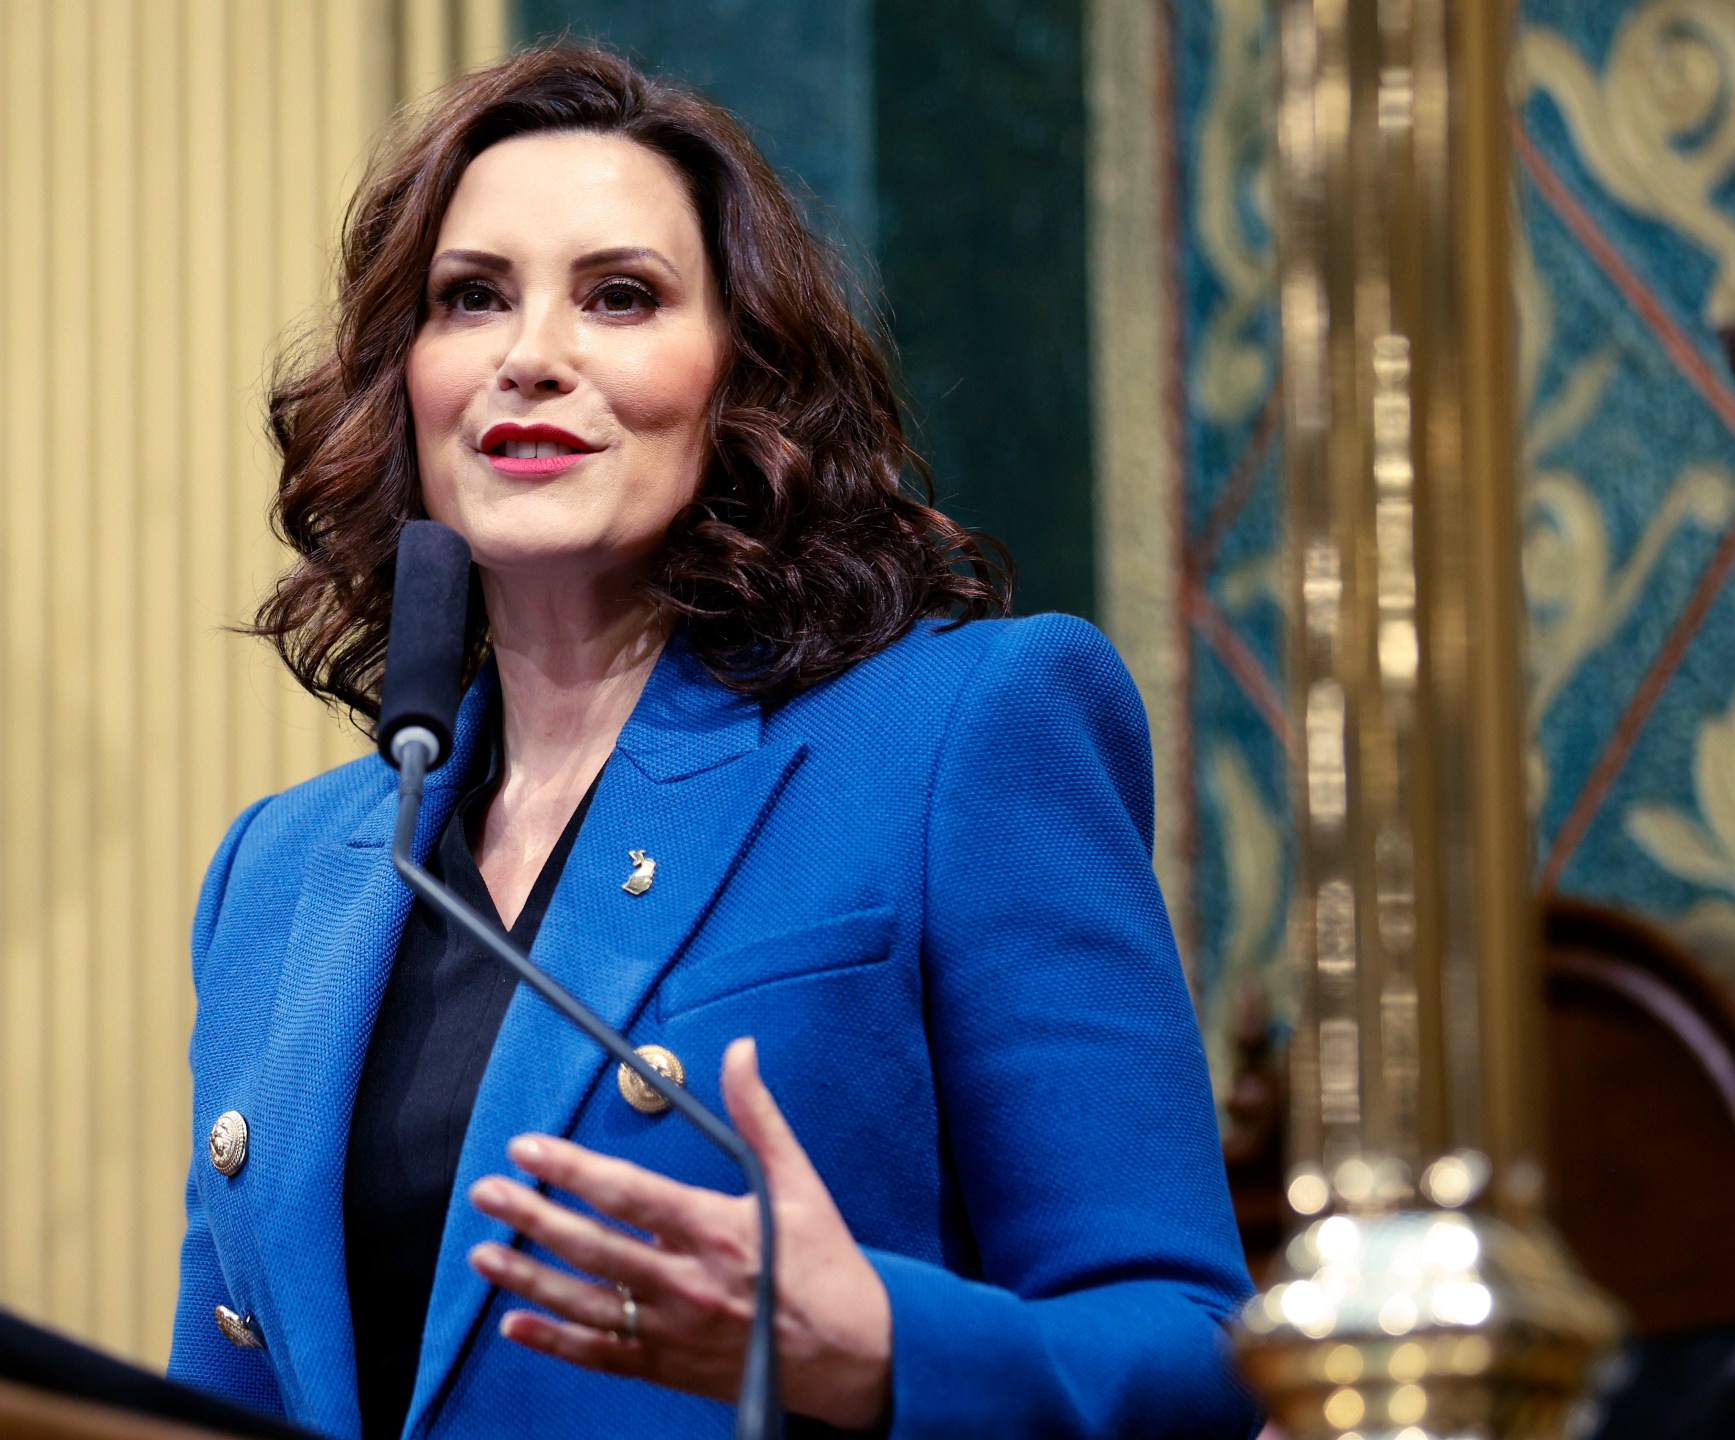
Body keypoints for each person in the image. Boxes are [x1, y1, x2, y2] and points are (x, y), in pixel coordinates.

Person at [168, 43, 1258, 1440]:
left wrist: (878, 1347)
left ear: (741, 377)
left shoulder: (960, 733)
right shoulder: (278, 875)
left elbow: (1193, 1351)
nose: (532, 357)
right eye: (471, 299)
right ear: (409, 382)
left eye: (621, 297)